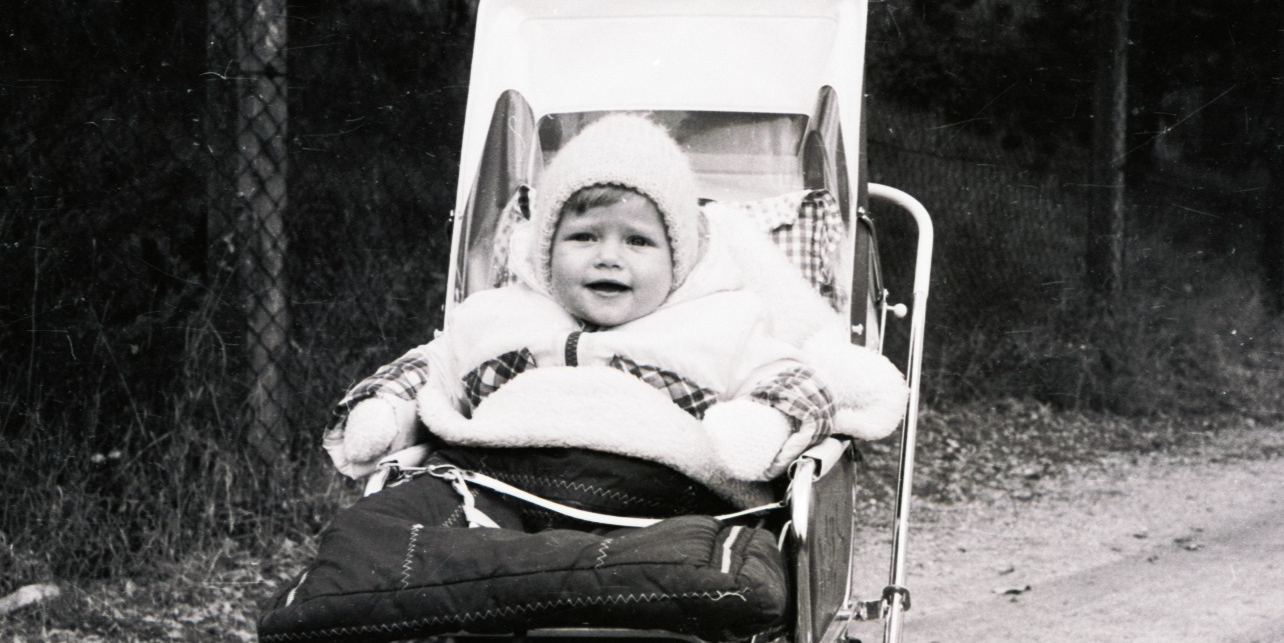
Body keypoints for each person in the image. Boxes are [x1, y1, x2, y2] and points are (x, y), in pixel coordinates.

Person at [323, 112, 905, 531]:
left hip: (656, 497)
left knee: (691, 553)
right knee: (383, 527)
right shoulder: (498, 313)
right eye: (582, 236)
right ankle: (351, 594)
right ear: (546, 251)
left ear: (678, 260)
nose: (608, 256)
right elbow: (431, 368)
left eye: (638, 241)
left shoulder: (717, 321)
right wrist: (385, 409)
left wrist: (763, 421)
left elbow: (795, 379)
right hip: (493, 480)